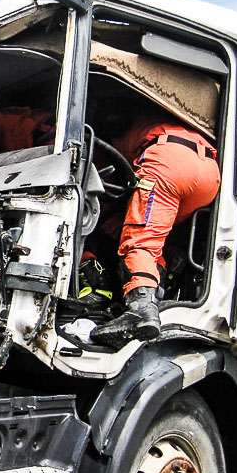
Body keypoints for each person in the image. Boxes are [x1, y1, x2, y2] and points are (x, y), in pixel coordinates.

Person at [90, 109, 220, 347]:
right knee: (156, 239)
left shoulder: (115, 129)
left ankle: (141, 308)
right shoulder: (165, 120)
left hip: (169, 162)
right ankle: (158, 282)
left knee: (140, 239)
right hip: (209, 173)